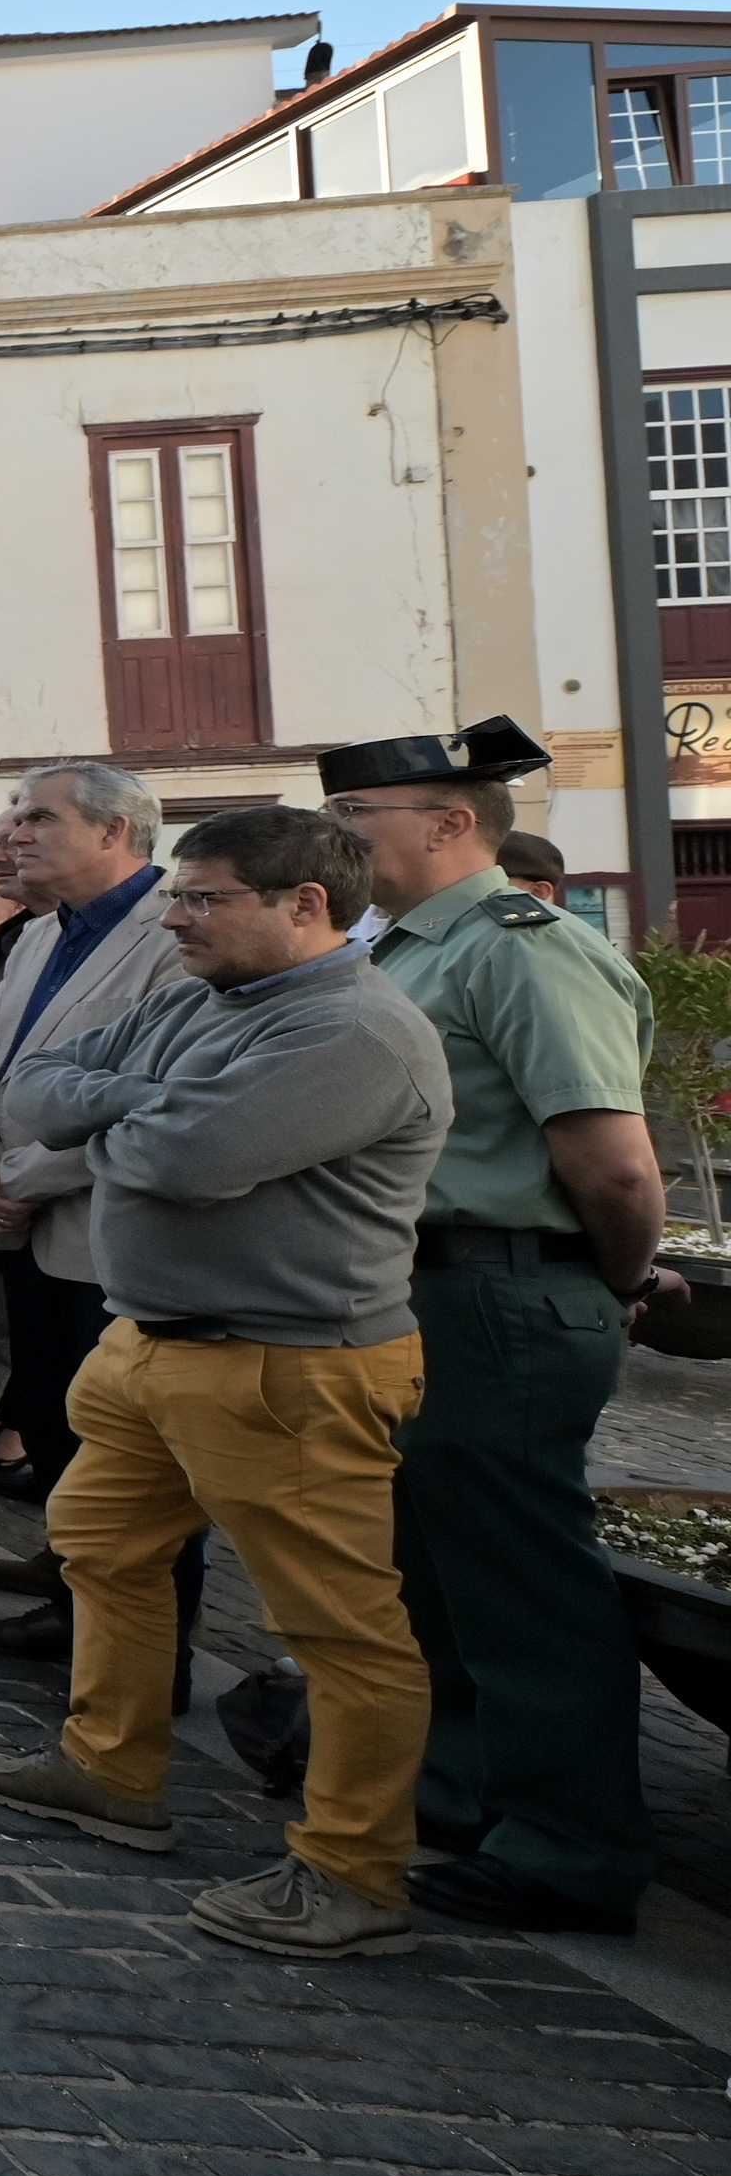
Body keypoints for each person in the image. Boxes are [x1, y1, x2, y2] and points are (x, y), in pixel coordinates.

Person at [0, 803, 454, 1961]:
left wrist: (117, 1120)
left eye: (200, 896)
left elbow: (188, 1160)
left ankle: (352, 1868)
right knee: (101, 1550)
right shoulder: (204, 997)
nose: (173, 915)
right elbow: (32, 1088)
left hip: (289, 1362)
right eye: (175, 893)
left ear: (304, 905)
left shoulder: (354, 1031)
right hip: (148, 1343)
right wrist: (140, 1112)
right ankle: (109, 1766)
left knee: (337, 1627)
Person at [327, 718, 673, 1938]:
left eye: (357, 822)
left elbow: (614, 1165)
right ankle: (468, 1793)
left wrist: (612, 1279)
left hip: (504, 1286)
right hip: (421, 1286)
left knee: (525, 1586)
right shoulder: (409, 948)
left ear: (448, 821)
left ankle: (570, 1849)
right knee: (438, 1569)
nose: (340, 843)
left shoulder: (519, 948)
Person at [0, 764, 184, 1662]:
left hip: (111, 1228)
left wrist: (29, 1178)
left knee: (122, 1451)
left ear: (115, 829)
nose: (11, 836)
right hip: (20, 1219)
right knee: (48, 1417)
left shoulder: (177, 930)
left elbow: (162, 1094)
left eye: (38, 817)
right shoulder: (40, 935)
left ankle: (130, 1652)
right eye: (12, 818)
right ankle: (68, 1577)